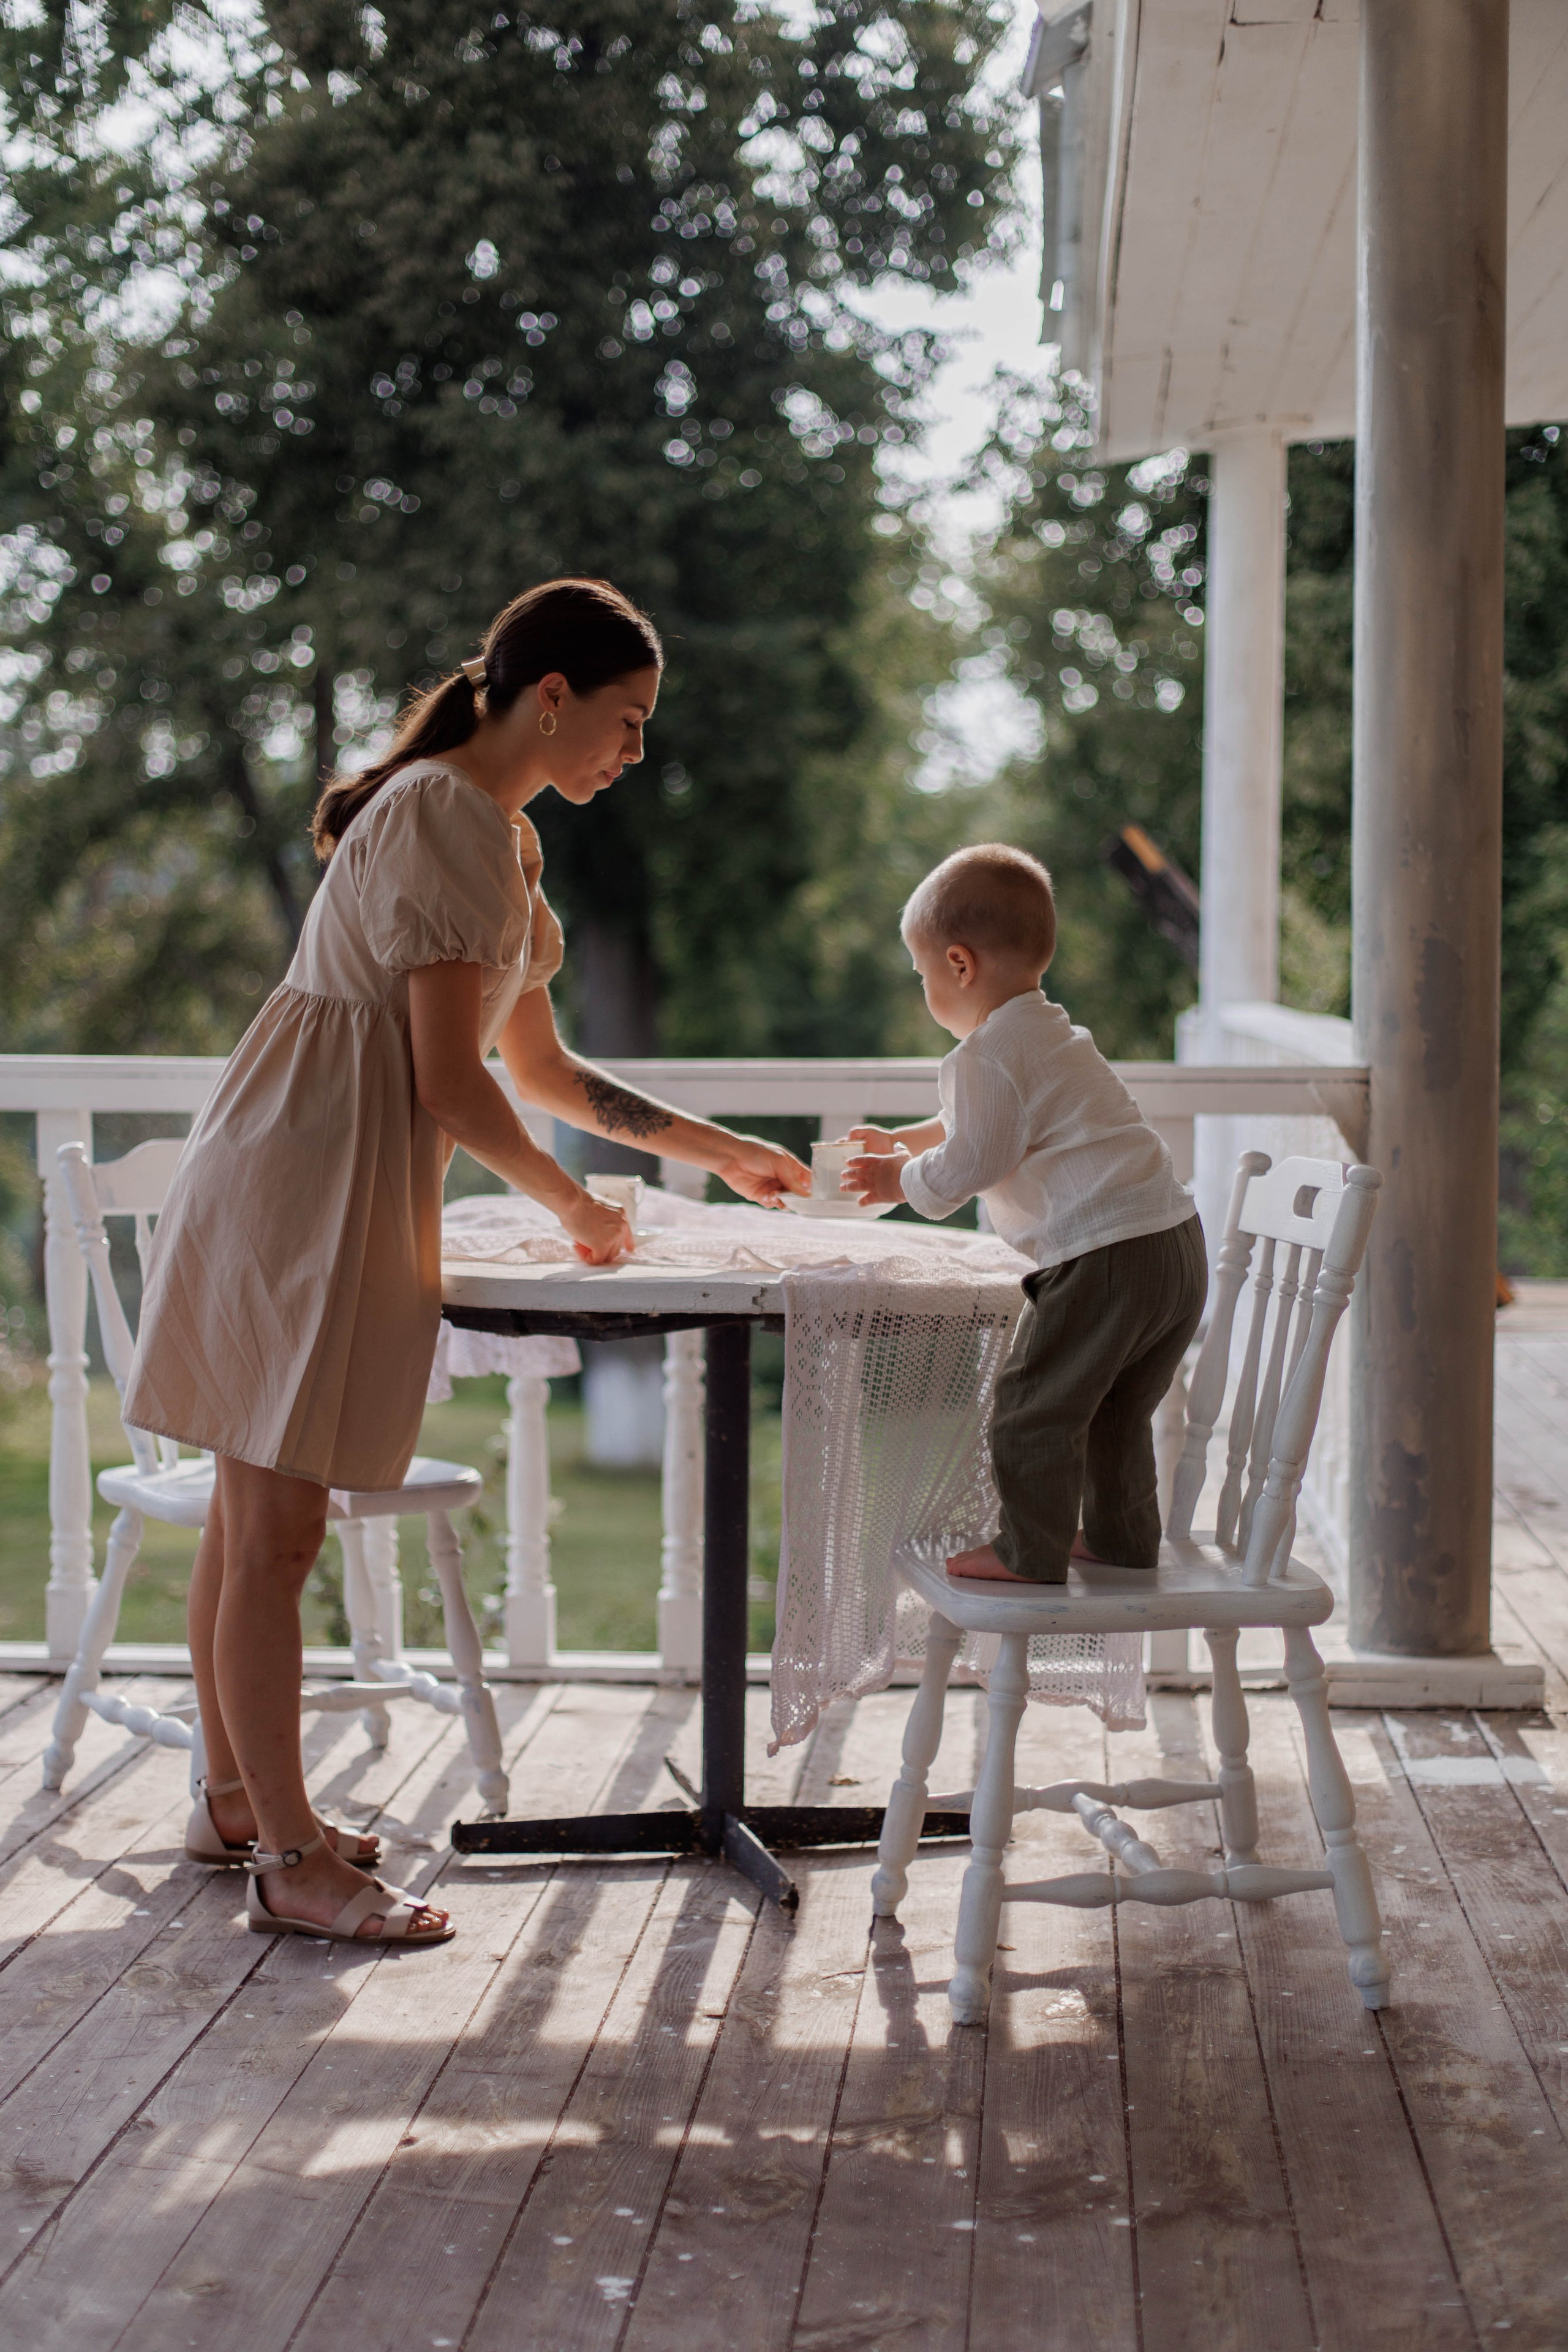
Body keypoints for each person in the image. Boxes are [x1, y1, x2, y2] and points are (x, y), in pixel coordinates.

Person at [124, 577, 809, 1947]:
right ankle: (294, 1864)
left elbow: (534, 1064)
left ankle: (232, 1804)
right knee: (275, 1530)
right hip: (299, 1180)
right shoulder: (442, 815)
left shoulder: (496, 835)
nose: (631, 752)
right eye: (622, 721)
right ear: (548, 697)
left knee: (257, 1520)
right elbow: (449, 1083)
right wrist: (567, 1203)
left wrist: (710, 1146)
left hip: (319, 1176)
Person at [842, 842, 1205, 1586]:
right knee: (1114, 1410)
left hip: (1103, 1256)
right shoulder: (1046, 1032)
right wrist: (904, 1140)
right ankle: (1120, 1538)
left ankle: (1026, 1550)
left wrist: (896, 1178)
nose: (925, 991)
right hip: (1170, 1246)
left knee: (1030, 1407)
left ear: (959, 965)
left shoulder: (986, 1056)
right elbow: (985, 1125)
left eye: (922, 976)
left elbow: (973, 1158)